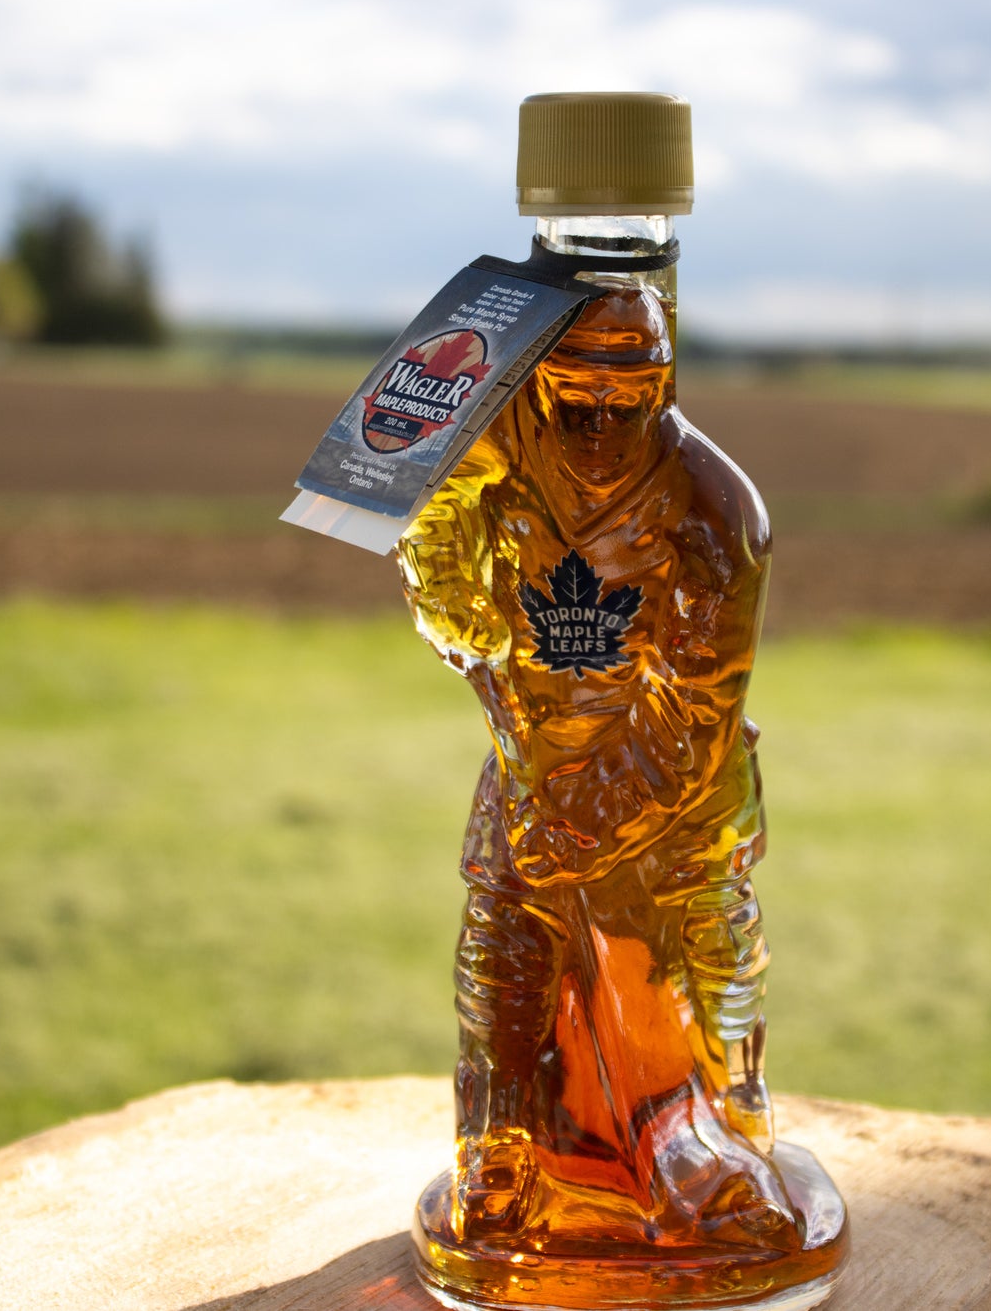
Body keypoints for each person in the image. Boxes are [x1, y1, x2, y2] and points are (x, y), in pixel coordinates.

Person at [397, 280, 798, 1252]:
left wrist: (582, 816)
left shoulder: (712, 507)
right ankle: (499, 1147)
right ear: (539, 380)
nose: (597, 424)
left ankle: (712, 1143)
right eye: (573, 399)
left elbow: (692, 709)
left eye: (624, 400)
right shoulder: (499, 468)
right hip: (529, 766)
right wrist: (445, 525)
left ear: (659, 382)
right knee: (504, 956)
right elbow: (450, 594)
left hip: (675, 804)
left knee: (702, 959)